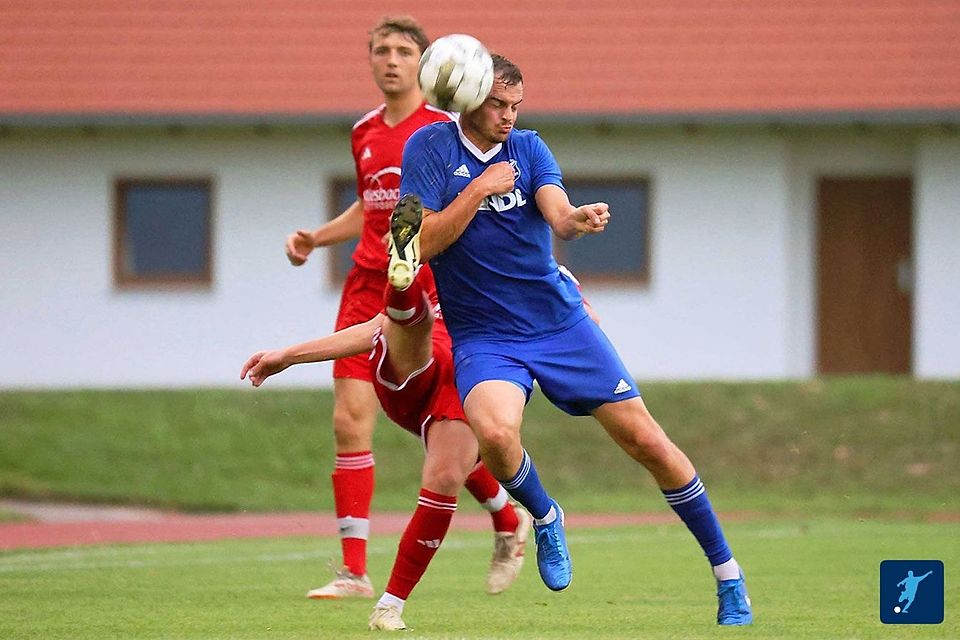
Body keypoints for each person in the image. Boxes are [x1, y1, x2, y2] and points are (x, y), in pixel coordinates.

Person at [396, 54, 754, 625]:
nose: (510, 117)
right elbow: (417, 243)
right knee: (492, 431)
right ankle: (545, 516)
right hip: (485, 335)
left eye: (517, 106)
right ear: (468, 99)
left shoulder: (531, 149)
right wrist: (480, 190)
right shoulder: (427, 152)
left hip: (559, 325)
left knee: (648, 443)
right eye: (499, 106)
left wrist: (577, 218)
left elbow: (557, 214)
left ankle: (728, 576)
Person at [241, 204, 533, 630]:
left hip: (473, 372)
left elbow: (558, 309)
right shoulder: (447, 260)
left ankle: (389, 605)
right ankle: (405, 292)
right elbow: (370, 329)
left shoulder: (509, 262)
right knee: (406, 328)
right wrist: (287, 355)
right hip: (414, 371)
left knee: (446, 474)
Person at [282, 16, 456, 599]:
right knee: (348, 420)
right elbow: (368, 205)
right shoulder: (362, 131)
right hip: (364, 282)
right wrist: (315, 238)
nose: (390, 60)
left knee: (438, 423)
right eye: (381, 50)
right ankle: (354, 572)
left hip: (424, 287)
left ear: (423, 64)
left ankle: (506, 518)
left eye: (404, 51)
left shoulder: (444, 131)